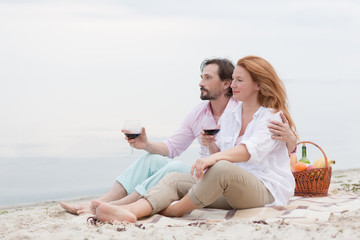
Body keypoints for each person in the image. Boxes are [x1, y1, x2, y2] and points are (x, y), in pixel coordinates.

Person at [60, 58, 297, 215]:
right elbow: (177, 147)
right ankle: (129, 211)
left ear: (258, 85)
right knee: (172, 177)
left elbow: (249, 151)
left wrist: (213, 159)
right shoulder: (229, 114)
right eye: (233, 79)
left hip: (264, 190)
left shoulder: (271, 117)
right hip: (230, 186)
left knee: (221, 168)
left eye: (239, 80)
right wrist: (212, 149)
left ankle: (171, 211)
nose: (233, 85)